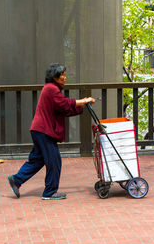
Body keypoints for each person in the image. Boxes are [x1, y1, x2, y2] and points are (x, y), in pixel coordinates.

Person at [8, 63, 95, 200]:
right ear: (54, 76)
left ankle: (16, 180)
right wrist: (83, 100)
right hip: (44, 131)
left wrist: (82, 106)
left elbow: (63, 109)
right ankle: (49, 192)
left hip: (39, 130)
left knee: (37, 160)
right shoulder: (51, 89)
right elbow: (64, 103)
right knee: (54, 161)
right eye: (62, 75)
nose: (65, 78)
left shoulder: (52, 89)